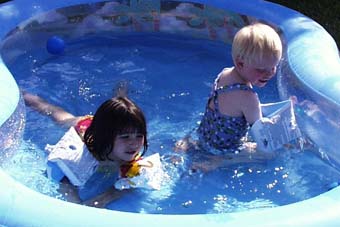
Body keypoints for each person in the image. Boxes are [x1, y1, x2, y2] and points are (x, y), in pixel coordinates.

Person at [175, 23, 283, 171]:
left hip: (202, 137)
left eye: (273, 66)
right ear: (240, 63)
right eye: (261, 69)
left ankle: (185, 144)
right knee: (268, 154)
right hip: (224, 150)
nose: (269, 73)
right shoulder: (248, 97)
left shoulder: (224, 74)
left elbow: (233, 109)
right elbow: (262, 135)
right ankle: (217, 162)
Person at [23, 89, 148, 207]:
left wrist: (103, 199)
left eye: (139, 136)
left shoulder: (130, 154)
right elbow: (65, 181)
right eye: (125, 137)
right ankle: (26, 96)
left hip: (105, 130)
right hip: (85, 127)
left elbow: (132, 183)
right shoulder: (86, 155)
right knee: (56, 115)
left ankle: (121, 94)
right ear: (106, 137)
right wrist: (77, 204)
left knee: (123, 114)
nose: (134, 143)